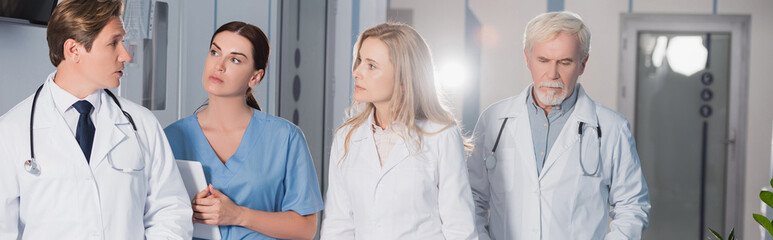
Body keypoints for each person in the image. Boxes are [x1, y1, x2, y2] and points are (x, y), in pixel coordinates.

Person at [0, 0, 192, 238]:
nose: (126, 55)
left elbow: (170, 212)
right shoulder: (11, 131)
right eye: (114, 43)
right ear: (73, 50)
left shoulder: (142, 124)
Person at [467, 11, 651, 239]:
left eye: (565, 62)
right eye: (543, 60)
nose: (552, 74)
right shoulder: (494, 119)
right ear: (527, 59)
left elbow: (633, 206)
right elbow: (473, 198)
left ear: (582, 64)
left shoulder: (612, 128)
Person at [164, 21, 323, 240]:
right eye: (214, 52)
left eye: (235, 59)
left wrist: (238, 215)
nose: (219, 65)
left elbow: (306, 228)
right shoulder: (171, 138)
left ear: (255, 77)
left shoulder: (285, 138)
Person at [320, 23, 477, 239]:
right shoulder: (346, 137)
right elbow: (339, 225)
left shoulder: (441, 135)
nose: (357, 73)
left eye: (371, 66)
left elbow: (460, 228)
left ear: (404, 79)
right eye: (359, 61)